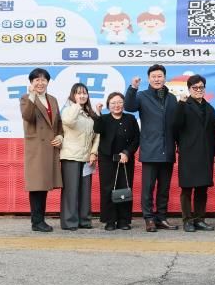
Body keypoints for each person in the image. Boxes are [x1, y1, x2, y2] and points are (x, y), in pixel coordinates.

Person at [124, 64, 179, 232]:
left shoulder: (172, 98)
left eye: (160, 76)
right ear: (149, 79)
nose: (157, 79)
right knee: (148, 188)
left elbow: (176, 124)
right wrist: (133, 88)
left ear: (165, 78)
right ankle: (148, 219)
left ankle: (161, 218)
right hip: (150, 150)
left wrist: (178, 144)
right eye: (154, 76)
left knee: (164, 188)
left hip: (168, 150)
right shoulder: (142, 96)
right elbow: (129, 106)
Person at [173, 74, 215, 232]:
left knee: (202, 188)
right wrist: (180, 104)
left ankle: (200, 219)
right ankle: (187, 220)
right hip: (188, 153)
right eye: (195, 87)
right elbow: (176, 125)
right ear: (189, 89)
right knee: (187, 188)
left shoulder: (210, 108)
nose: (198, 90)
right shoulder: (183, 105)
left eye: (201, 87)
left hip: (206, 153)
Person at [20, 68, 63, 232]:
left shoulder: (52, 99)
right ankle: (37, 221)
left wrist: (60, 136)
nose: (40, 83)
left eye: (43, 80)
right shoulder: (26, 98)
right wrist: (32, 96)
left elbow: (58, 122)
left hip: (50, 147)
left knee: (44, 185)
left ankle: (39, 220)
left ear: (48, 82)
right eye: (36, 80)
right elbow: (27, 116)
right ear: (31, 83)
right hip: (37, 148)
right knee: (37, 185)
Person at [93, 92, 140, 231]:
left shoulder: (130, 119)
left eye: (119, 102)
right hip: (107, 159)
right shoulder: (104, 118)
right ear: (108, 105)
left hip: (125, 159)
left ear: (124, 104)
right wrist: (98, 114)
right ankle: (110, 220)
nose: (116, 105)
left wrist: (127, 152)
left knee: (124, 188)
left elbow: (136, 139)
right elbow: (97, 129)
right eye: (113, 103)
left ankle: (123, 220)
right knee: (108, 189)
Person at [59, 83, 100, 231]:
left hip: (86, 158)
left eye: (84, 93)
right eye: (78, 93)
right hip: (71, 156)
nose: (82, 96)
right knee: (71, 190)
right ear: (73, 95)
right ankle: (69, 222)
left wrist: (93, 152)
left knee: (85, 191)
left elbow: (97, 135)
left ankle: (84, 220)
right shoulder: (68, 110)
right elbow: (69, 122)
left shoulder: (90, 114)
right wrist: (76, 105)